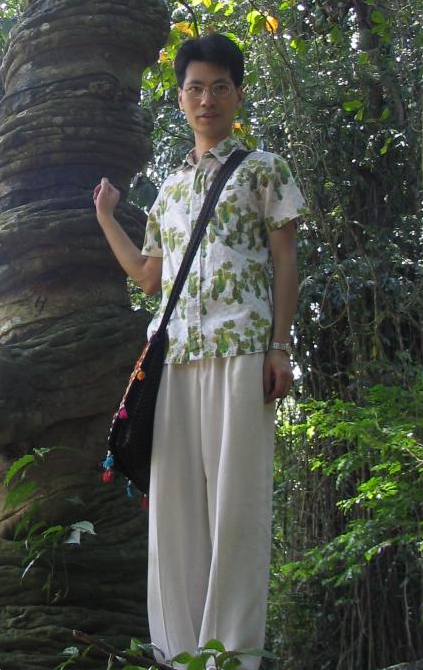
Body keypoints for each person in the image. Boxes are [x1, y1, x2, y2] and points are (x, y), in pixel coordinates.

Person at [93, 35, 305, 670]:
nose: (206, 98)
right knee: (176, 512)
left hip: (242, 350)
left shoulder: (264, 169)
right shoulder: (170, 192)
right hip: (176, 358)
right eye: (195, 88)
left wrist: (280, 347)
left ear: (237, 95)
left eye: (218, 87)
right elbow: (148, 276)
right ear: (181, 99)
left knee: (236, 506)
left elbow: (285, 262)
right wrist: (107, 219)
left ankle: (231, 655)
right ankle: (178, 653)